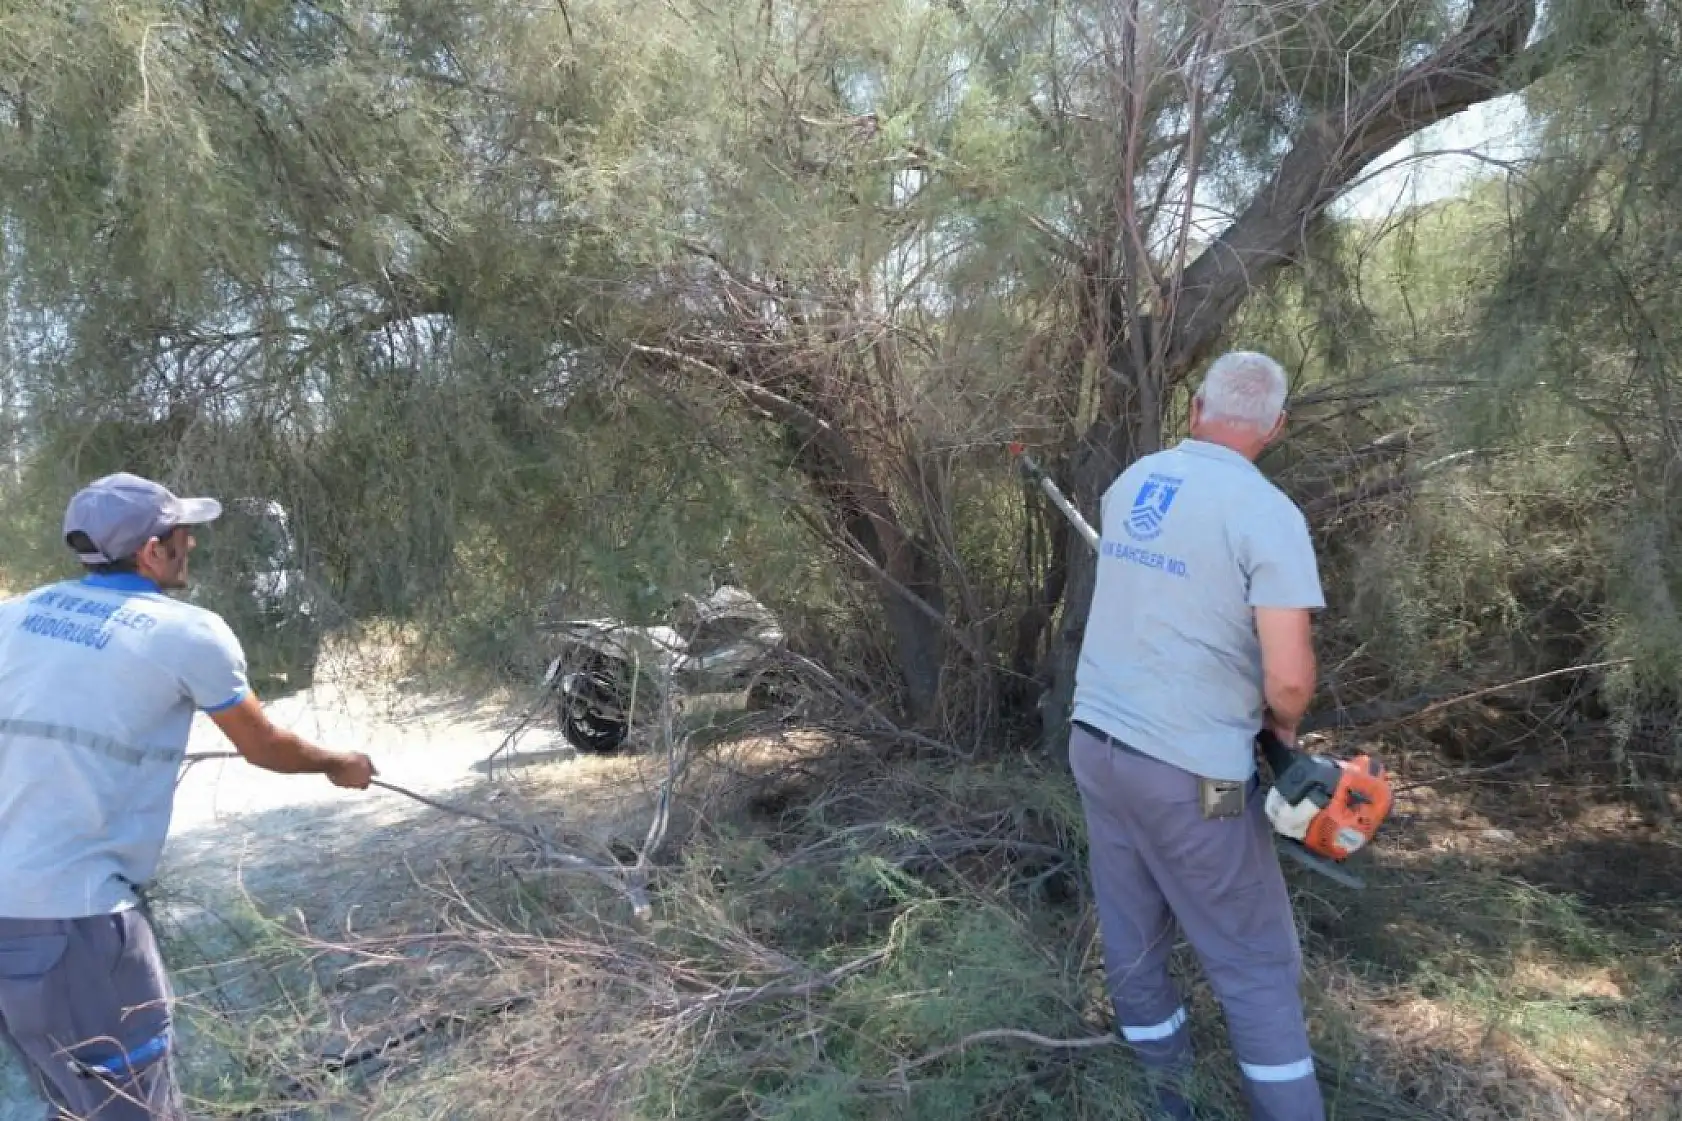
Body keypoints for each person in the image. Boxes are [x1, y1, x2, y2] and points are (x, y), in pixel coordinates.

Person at [0, 471, 377, 1120]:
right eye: (181, 535)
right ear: (151, 550)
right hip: (79, 922)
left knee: (69, 1102)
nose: (190, 546)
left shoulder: (13, 617)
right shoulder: (186, 632)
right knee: (131, 1108)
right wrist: (339, 762)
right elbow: (264, 745)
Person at [1069, 351, 1326, 1121]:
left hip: (1098, 750)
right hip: (1198, 780)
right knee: (1254, 960)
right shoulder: (1266, 513)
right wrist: (1282, 729)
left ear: (1194, 410)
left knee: (1134, 938)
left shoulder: (1132, 483)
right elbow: (1286, 680)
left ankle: (1166, 1101)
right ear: (1275, 427)